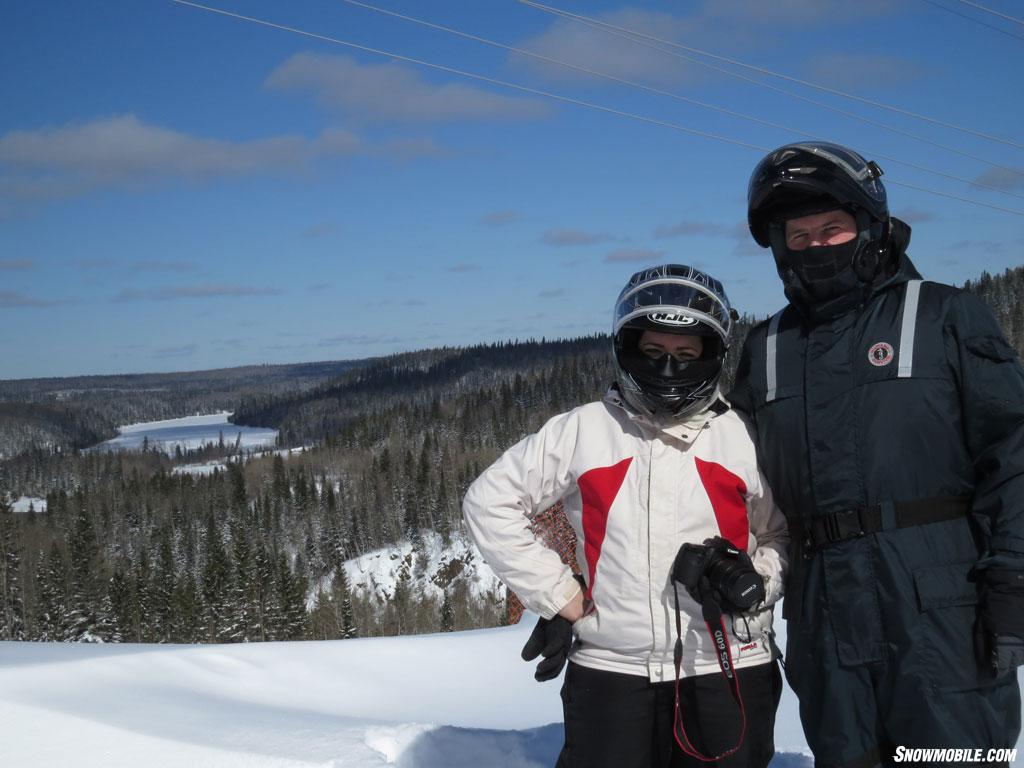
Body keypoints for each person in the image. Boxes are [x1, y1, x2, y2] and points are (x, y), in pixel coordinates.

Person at [730, 141, 1024, 767]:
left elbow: (1015, 451)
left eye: (831, 229)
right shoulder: (767, 347)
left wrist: (1014, 576)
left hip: (939, 608)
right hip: (824, 615)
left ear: (870, 227)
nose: (815, 247)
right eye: (798, 235)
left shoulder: (945, 316)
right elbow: (727, 479)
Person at [463, 264, 788, 768]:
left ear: (712, 355)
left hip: (727, 660)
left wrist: (755, 581)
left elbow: (780, 534)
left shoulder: (740, 437)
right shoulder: (585, 431)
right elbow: (489, 502)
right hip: (612, 668)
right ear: (628, 349)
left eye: (686, 354)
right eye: (653, 353)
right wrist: (558, 594)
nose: (669, 369)